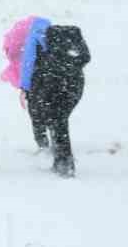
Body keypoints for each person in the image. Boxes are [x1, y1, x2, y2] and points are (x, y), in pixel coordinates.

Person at [27, 22, 90, 177]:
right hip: (73, 86)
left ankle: (64, 163)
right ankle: (62, 161)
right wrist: (71, 67)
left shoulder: (45, 39)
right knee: (59, 121)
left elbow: (33, 66)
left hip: (52, 87)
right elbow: (85, 57)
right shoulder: (74, 34)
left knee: (55, 120)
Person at [1, 16, 50, 147]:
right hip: (55, 81)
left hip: (37, 81)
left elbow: (27, 62)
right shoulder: (53, 35)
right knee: (54, 114)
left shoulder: (31, 39)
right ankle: (58, 143)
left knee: (36, 113)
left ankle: (43, 145)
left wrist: (24, 87)